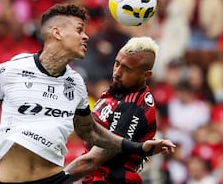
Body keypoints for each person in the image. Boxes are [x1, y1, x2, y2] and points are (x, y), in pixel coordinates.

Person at [0, 4, 175, 184]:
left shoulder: (77, 84)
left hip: (55, 180)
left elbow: (90, 133)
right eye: (79, 30)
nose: (86, 37)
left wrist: (138, 147)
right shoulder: (11, 70)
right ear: (56, 32)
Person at [65, 36, 164, 183]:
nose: (117, 72)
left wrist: (55, 180)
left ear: (146, 75)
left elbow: (93, 160)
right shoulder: (117, 91)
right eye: (117, 64)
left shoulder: (134, 108)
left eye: (127, 69)